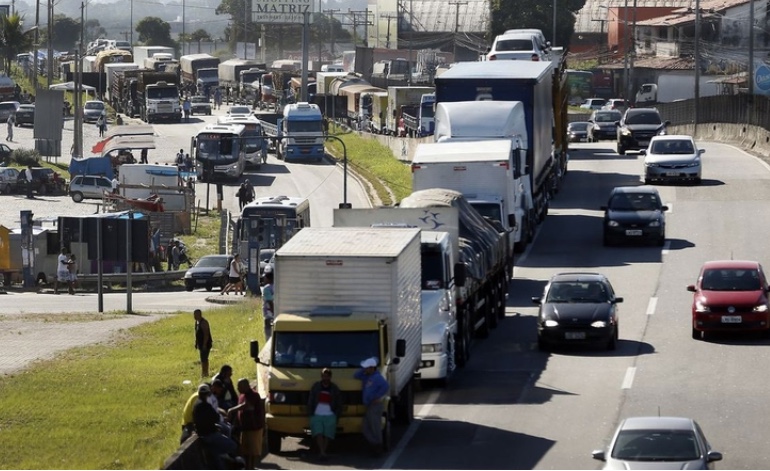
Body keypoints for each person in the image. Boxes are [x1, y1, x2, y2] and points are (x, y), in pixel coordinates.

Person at [193, 383, 238, 469]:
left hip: (202, 435)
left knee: (216, 457)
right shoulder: (206, 405)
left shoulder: (196, 405)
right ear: (208, 394)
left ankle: (219, 456)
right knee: (233, 446)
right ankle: (224, 455)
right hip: (210, 434)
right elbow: (216, 417)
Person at [354, 357, 389, 456]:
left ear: (372, 368)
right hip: (369, 406)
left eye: (366, 367)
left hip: (375, 405)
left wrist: (377, 397)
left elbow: (386, 386)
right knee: (365, 428)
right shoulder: (367, 376)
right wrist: (363, 370)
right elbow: (356, 375)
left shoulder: (377, 378)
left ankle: (378, 447)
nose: (365, 369)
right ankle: (375, 444)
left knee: (375, 427)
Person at [227, 378, 265, 470]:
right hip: (245, 428)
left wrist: (232, 410)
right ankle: (248, 467)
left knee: (252, 451)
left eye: (239, 386)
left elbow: (247, 405)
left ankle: (251, 467)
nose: (237, 388)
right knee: (246, 451)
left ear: (246, 386)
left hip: (254, 427)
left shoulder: (253, 395)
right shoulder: (242, 395)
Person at [308, 368, 342, 461]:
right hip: (317, 413)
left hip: (330, 414)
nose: (325, 378)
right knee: (318, 432)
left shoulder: (334, 388)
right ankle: (322, 451)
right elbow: (311, 400)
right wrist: (310, 412)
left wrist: (337, 414)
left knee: (328, 434)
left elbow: (338, 402)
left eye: (327, 376)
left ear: (330, 377)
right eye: (323, 376)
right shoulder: (316, 386)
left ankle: (323, 451)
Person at [194, 309, 213, 378]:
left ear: (199, 314)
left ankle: (205, 373)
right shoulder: (197, 322)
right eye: (194, 315)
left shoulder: (204, 322)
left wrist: (204, 344)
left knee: (204, 359)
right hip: (200, 343)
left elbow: (206, 334)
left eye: (196, 315)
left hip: (205, 344)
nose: (194, 316)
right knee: (202, 359)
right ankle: (204, 372)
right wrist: (196, 343)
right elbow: (196, 333)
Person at [261, 270, 274, 335]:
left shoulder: (267, 288)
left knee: (268, 333)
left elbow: (269, 301)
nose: (264, 279)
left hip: (269, 313)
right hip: (276, 313)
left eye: (265, 278)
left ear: (268, 279)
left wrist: (273, 312)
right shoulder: (276, 286)